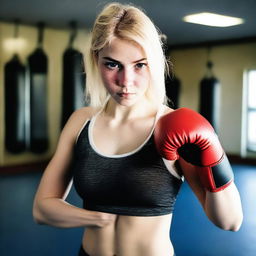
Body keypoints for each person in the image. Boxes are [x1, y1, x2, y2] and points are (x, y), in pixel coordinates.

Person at [33, 2, 243, 256]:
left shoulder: (171, 127)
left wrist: (214, 154)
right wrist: (96, 218)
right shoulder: (81, 122)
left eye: (139, 65)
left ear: (154, 63)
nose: (126, 82)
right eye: (112, 65)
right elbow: (42, 209)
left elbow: (230, 222)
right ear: (95, 60)